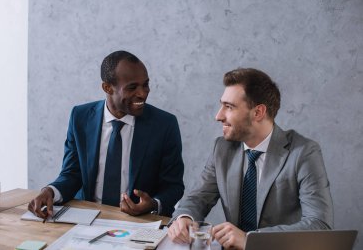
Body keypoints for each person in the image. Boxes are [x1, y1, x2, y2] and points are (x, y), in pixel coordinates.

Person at [168, 68, 333, 250]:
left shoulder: (304, 153)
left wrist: (250, 239)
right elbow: (199, 197)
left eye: (229, 107)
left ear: (258, 112)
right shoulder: (222, 148)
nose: (218, 116)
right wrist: (185, 217)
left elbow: (320, 225)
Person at [28, 50, 184, 218]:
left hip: (140, 221)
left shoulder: (164, 124)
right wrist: (50, 191)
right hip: (88, 218)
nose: (143, 93)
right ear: (107, 87)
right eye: (132, 87)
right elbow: (71, 173)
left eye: (145, 84)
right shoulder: (80, 117)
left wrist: (153, 204)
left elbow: (173, 186)